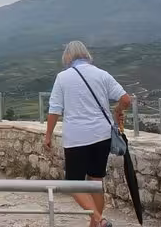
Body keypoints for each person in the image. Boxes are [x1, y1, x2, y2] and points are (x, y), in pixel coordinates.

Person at [43, 41, 132, 227]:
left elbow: (55, 110)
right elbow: (126, 99)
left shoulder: (63, 77)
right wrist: (118, 110)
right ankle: (96, 225)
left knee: (73, 184)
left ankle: (100, 220)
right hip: (102, 136)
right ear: (86, 55)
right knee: (95, 182)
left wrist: (48, 136)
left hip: (77, 138)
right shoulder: (102, 74)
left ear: (67, 57)